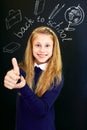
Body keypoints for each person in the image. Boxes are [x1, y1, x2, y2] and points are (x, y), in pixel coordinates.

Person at [4, 26, 64, 130]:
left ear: (53, 48)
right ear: (31, 47)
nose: (42, 50)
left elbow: (41, 110)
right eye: (37, 45)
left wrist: (23, 86)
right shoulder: (21, 70)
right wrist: (10, 78)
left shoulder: (56, 76)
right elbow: (14, 77)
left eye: (47, 45)